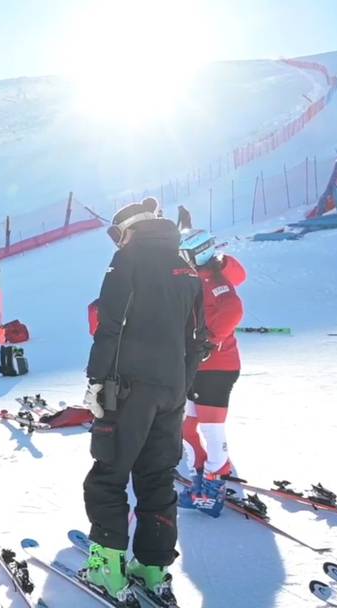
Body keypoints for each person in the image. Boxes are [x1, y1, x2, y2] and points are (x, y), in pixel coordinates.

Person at [82, 197, 206, 604]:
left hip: (129, 388)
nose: (118, 242)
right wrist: (181, 385)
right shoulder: (185, 264)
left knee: (109, 475)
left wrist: (97, 381)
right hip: (172, 389)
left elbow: (110, 326)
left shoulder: (128, 260)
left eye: (119, 235)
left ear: (130, 230)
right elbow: (197, 337)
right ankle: (152, 567)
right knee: (156, 476)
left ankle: (107, 569)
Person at [176, 229, 246, 517]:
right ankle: (204, 471)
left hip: (218, 367)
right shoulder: (200, 277)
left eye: (185, 254)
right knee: (187, 426)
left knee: (211, 428)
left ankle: (213, 485)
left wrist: (210, 339)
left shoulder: (216, 281)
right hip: (200, 366)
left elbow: (233, 309)